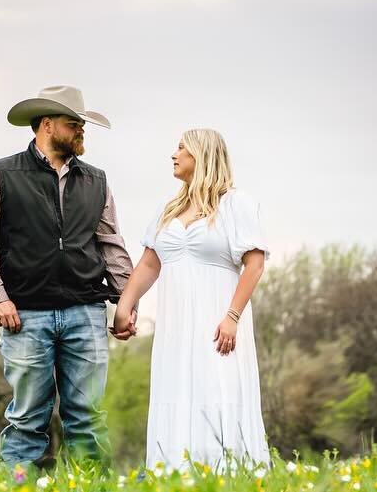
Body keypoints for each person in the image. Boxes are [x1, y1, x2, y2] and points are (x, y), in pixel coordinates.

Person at [0, 85, 135, 469]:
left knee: (88, 418)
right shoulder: (0, 175)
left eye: (82, 124)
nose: (81, 130)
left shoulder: (97, 180)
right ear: (46, 125)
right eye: (74, 123)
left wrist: (128, 301)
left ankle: (89, 485)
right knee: (27, 420)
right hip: (25, 314)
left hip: (86, 312)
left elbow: (111, 243)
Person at [111, 128, 271, 471]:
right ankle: (174, 473)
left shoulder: (235, 203)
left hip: (220, 323)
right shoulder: (168, 209)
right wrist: (125, 304)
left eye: (181, 147)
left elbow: (254, 264)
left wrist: (232, 316)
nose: (174, 154)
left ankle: (227, 473)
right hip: (176, 328)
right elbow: (150, 264)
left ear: (202, 155)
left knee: (217, 392)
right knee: (176, 392)